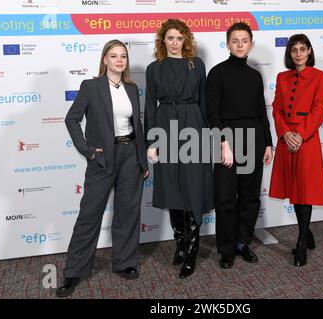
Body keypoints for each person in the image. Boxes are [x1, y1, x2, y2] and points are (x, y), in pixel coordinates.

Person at [56, 40, 148, 297]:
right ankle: (73, 271)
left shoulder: (132, 88)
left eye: (123, 56)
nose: (119, 60)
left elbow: (137, 127)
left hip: (131, 155)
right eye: (114, 56)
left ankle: (125, 263)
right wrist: (88, 150)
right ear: (105, 60)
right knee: (89, 214)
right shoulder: (91, 87)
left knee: (128, 212)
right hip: (103, 157)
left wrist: (142, 159)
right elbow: (72, 119)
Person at [144, 19, 214, 279]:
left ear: (186, 40)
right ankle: (181, 242)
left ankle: (193, 249)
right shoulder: (153, 69)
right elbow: (150, 105)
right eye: (170, 38)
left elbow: (205, 102)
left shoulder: (197, 65)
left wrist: (210, 136)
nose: (175, 42)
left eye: (179, 38)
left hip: (193, 124)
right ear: (163, 40)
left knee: (193, 185)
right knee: (172, 185)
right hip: (165, 127)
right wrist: (152, 142)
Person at [206, 22, 273, 269]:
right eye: (235, 40)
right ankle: (226, 249)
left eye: (244, 40)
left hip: (254, 139)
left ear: (251, 44)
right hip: (227, 141)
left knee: (249, 196)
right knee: (225, 198)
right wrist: (222, 142)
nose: (240, 45)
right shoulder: (216, 73)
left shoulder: (255, 76)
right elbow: (212, 113)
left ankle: (242, 243)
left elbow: (261, 112)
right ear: (228, 44)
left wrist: (268, 143)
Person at [269, 34, 323, 267]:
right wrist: (285, 133)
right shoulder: (282, 77)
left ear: (309, 51)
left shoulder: (321, 77)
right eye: (294, 50)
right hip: (287, 139)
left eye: (302, 49)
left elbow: (319, 111)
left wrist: (300, 135)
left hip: (307, 140)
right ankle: (307, 231)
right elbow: (277, 109)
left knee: (304, 190)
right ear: (289, 53)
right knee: (294, 188)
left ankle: (302, 241)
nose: (298, 54)